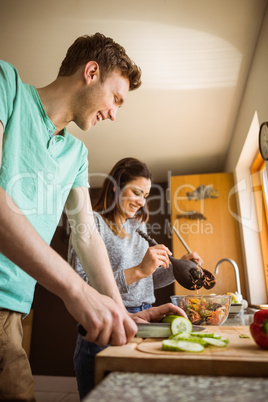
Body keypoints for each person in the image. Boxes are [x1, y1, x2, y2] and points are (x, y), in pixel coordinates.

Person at [0, 34, 185, 401]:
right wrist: (76, 290)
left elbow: (86, 237)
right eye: (116, 98)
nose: (115, 113)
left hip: (13, 312)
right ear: (90, 71)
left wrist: (121, 313)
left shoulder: (76, 153)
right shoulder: (7, 86)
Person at [68, 157, 203, 399]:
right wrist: (139, 269)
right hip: (107, 325)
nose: (141, 202)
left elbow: (147, 280)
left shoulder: (137, 229)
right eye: (136, 192)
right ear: (116, 186)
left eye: (145, 195)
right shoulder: (91, 224)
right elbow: (81, 286)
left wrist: (177, 266)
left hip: (146, 325)